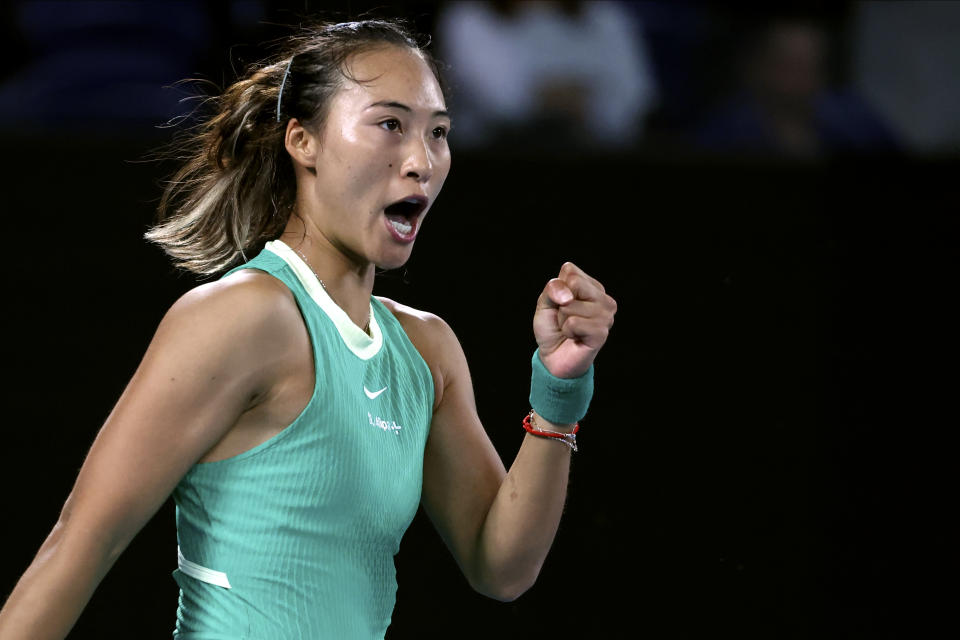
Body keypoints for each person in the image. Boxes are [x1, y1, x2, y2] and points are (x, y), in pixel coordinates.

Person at [0, 18, 616, 640]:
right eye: (390, 125)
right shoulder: (240, 318)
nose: (421, 161)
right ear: (303, 141)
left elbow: (501, 566)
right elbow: (79, 546)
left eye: (438, 133)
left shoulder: (426, 350)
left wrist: (558, 394)